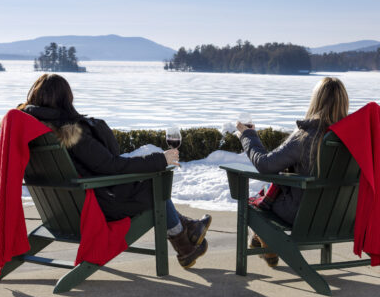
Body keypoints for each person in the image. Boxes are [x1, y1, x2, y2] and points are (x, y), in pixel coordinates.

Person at [17, 74, 211, 268]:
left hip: (60, 211)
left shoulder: (31, 129)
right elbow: (112, 166)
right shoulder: (70, 131)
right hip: (94, 208)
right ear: (66, 99)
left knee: (147, 185)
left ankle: (188, 230)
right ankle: (184, 242)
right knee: (156, 183)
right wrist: (160, 159)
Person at [235, 77, 349, 267]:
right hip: (341, 215)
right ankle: (262, 240)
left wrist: (247, 136)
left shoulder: (306, 136)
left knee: (256, 202)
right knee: (270, 195)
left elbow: (265, 165)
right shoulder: (355, 136)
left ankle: (266, 239)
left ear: (316, 101)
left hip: (303, 215)